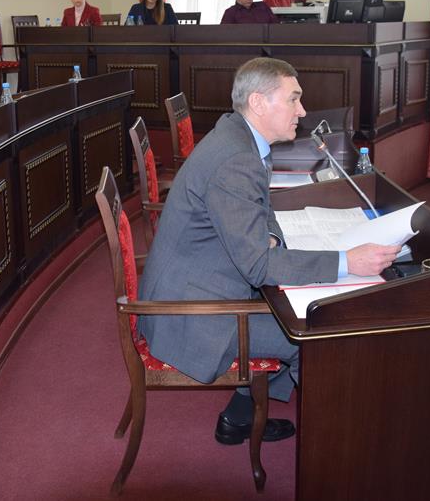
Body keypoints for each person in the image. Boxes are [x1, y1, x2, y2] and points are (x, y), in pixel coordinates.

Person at [138, 57, 400, 445]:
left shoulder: (240, 137)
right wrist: (348, 261)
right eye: (293, 99)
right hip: (193, 314)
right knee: (318, 337)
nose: (302, 110)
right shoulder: (235, 159)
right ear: (258, 102)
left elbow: (262, 210)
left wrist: (271, 239)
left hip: (199, 281)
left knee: (295, 306)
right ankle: (336, 451)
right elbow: (259, 266)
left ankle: (238, 418)